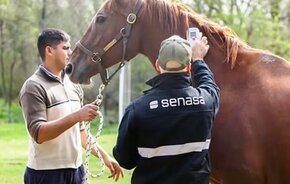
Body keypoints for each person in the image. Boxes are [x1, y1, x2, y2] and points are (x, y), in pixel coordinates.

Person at [19, 28, 123, 184]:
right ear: (49, 51)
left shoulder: (73, 85)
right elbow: (39, 133)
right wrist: (77, 116)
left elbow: (80, 132)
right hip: (45, 175)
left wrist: (105, 156)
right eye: (65, 48)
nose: (70, 53)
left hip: (77, 172)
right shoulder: (33, 86)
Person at [113, 34, 220, 184]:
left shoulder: (136, 110)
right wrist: (198, 60)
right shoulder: (206, 101)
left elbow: (125, 161)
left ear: (157, 65)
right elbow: (210, 85)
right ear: (189, 67)